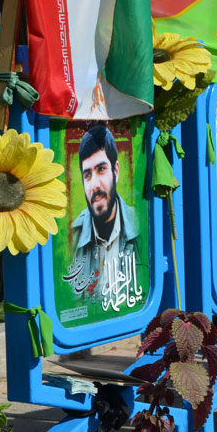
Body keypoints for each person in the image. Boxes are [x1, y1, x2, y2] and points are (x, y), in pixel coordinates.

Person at [63, 124, 141, 308]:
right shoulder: (72, 235)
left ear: (116, 171)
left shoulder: (140, 225)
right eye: (87, 174)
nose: (95, 185)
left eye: (101, 169)